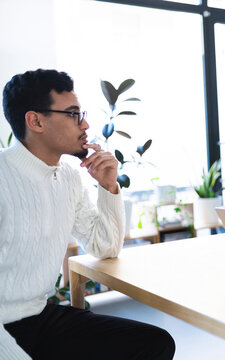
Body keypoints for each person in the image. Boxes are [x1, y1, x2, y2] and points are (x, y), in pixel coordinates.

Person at [0, 69, 175, 359]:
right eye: (73, 115)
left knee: (155, 343)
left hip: (40, 316)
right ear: (35, 121)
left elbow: (104, 246)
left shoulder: (68, 177)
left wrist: (108, 186)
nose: (86, 124)